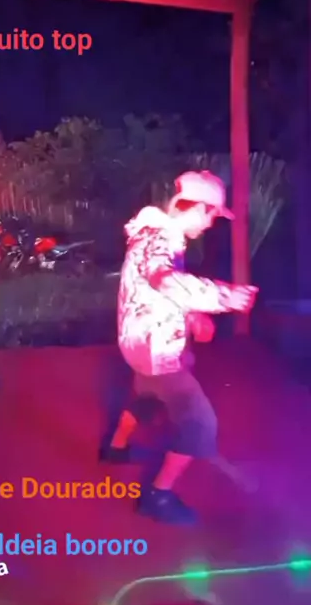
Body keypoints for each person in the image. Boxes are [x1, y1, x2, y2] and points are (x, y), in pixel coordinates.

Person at [105, 170, 258, 525]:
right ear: (199, 207)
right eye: (212, 215)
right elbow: (165, 280)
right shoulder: (162, 238)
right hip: (156, 346)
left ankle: (116, 448)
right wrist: (223, 296)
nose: (210, 224)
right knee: (200, 424)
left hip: (142, 341)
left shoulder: (154, 234)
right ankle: (158, 496)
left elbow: (157, 288)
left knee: (146, 394)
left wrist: (191, 316)